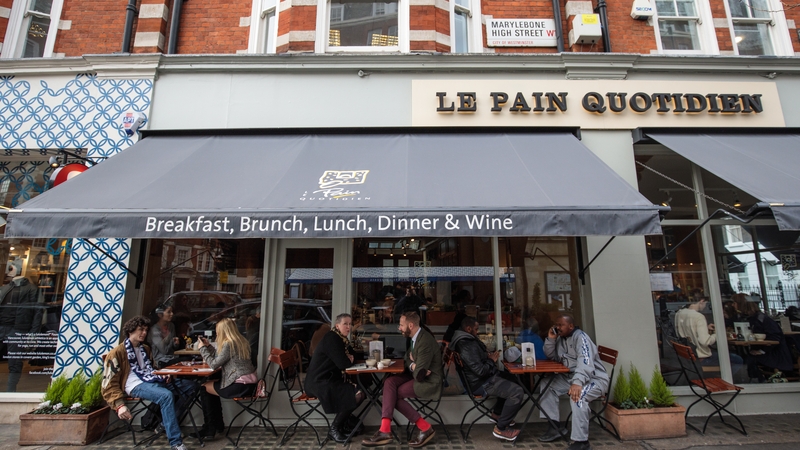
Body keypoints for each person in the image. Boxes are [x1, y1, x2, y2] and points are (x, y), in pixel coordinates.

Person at [101, 316, 190, 450]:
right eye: (140, 330)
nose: (144, 333)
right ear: (130, 331)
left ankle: (165, 425)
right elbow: (108, 384)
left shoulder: (145, 349)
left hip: (151, 380)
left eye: (145, 330)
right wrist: (119, 405)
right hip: (134, 385)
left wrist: (162, 375)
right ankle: (176, 443)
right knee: (166, 396)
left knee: (191, 387)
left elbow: (150, 369)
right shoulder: (117, 352)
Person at [362, 312, 442, 448]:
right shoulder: (415, 337)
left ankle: (425, 427)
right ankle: (385, 430)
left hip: (429, 382)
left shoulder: (424, 342)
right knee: (390, 382)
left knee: (393, 394)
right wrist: (413, 364)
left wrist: (416, 366)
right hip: (416, 376)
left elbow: (420, 375)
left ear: (410, 325)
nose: (399, 328)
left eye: (401, 325)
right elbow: (406, 359)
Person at [538, 315, 609, 450]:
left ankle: (581, 442)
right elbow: (551, 356)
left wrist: (577, 382)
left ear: (571, 326)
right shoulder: (560, 338)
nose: (557, 328)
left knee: (578, 396)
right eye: (556, 325)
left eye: (560, 325)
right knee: (547, 385)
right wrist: (551, 339)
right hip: (571, 378)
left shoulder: (581, 338)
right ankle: (554, 427)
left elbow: (585, 362)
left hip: (594, 379)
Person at [449, 316, 523, 441]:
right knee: (517, 392)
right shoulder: (466, 344)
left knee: (512, 378)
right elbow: (481, 371)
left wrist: (486, 357)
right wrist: (490, 360)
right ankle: (501, 428)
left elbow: (476, 363)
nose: (477, 332)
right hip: (481, 384)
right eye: (476, 329)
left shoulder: (465, 340)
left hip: (482, 379)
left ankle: (497, 414)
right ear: (468, 328)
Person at [304, 313, 365, 443]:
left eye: (350, 324)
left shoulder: (342, 339)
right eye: (345, 324)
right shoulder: (332, 339)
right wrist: (348, 359)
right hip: (318, 383)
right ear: (337, 326)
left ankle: (345, 423)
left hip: (329, 380)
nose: (349, 327)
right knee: (357, 394)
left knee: (360, 389)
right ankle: (334, 429)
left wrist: (350, 358)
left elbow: (353, 356)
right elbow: (344, 363)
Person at [194, 317, 258, 439]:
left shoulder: (228, 343)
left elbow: (213, 364)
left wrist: (202, 348)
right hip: (249, 384)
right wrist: (209, 347)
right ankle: (217, 425)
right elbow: (221, 358)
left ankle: (210, 427)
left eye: (218, 331)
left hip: (239, 386)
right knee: (211, 386)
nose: (217, 334)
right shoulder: (241, 341)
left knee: (204, 387)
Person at [675, 297, 744, 380]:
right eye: (706, 304)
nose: (705, 307)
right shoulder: (699, 316)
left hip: (691, 356)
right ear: (701, 301)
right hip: (701, 357)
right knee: (738, 359)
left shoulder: (680, 313)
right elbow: (705, 341)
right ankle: (724, 380)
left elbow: (686, 329)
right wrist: (717, 334)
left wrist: (705, 328)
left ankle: (717, 378)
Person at [0, 274, 43, 391]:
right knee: (15, 362)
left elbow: (38, 311)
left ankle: (11, 390)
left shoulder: (32, 289)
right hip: (4, 326)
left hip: (19, 329)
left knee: (15, 362)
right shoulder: (4, 288)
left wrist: (34, 333)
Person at [741, 301, 794, 380]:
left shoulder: (761, 319)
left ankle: (758, 381)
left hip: (774, 354)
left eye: (734, 303)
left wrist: (762, 351)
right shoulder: (757, 318)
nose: (733, 305)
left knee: (749, 360)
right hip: (768, 351)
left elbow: (775, 338)